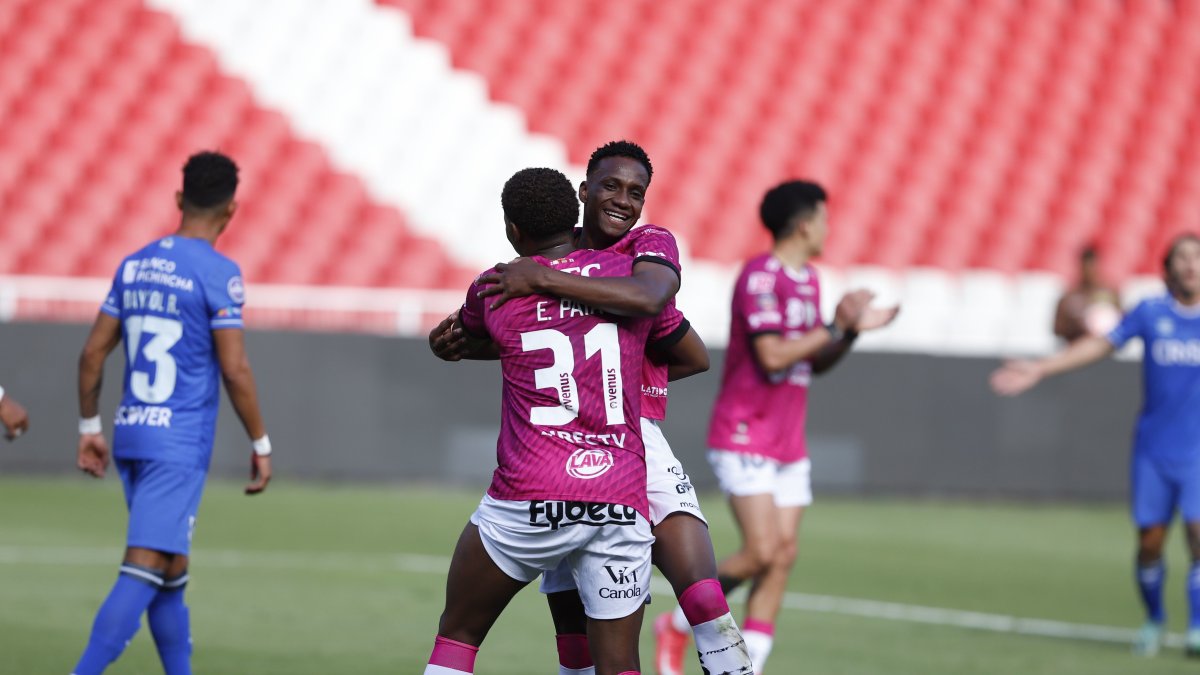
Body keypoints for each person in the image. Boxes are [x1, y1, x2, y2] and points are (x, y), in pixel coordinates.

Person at [434, 141, 753, 675]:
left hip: (626, 434)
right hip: (578, 450)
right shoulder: (558, 257)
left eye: (635, 192)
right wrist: (464, 344)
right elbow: (525, 339)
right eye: (610, 186)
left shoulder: (643, 247)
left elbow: (657, 306)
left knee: (701, 595)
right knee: (574, 628)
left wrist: (542, 281)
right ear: (582, 192)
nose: (623, 200)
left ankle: (732, 665)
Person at [423, 167, 662, 675]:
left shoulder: (494, 287)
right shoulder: (627, 273)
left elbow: (465, 334)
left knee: (458, 634)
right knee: (620, 664)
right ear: (576, 212)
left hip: (528, 494)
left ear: (513, 229)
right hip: (617, 496)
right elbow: (689, 351)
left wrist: (444, 345)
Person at [661, 180, 897, 675]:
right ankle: (678, 624)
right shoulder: (760, 277)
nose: (829, 228)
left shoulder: (809, 280)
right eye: (824, 219)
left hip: (788, 440)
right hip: (745, 432)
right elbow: (771, 356)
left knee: (782, 555)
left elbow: (813, 361)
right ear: (804, 224)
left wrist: (849, 333)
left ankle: (749, 667)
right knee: (761, 551)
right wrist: (834, 326)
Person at [72, 151, 272, 675]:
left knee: (170, 571)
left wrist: (89, 427)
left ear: (179, 198)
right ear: (231, 210)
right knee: (145, 566)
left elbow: (93, 353)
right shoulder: (219, 273)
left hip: (131, 435)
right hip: (176, 445)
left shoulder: (134, 264)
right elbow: (235, 370)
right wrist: (260, 442)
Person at [992, 232, 1200, 658]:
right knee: (1150, 542)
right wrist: (1042, 368)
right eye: (1182, 257)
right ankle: (1154, 619)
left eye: (1197, 256)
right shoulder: (1150, 312)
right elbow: (1101, 345)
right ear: (1168, 269)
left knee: (1199, 535)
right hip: (1154, 449)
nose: (1190, 264)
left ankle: (1197, 627)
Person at [1053, 246, 1122, 343]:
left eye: (1092, 266)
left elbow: (1123, 322)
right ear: (1081, 267)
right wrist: (1076, 325)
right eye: (1086, 266)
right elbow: (1057, 329)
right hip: (1077, 346)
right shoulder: (1069, 297)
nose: (1090, 271)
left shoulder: (1110, 293)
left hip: (1105, 347)